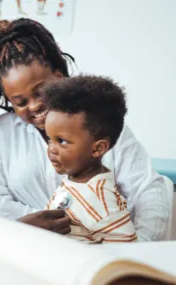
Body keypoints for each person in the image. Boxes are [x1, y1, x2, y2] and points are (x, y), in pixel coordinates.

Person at [0, 18, 169, 241]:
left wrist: (140, 250)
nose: (34, 105)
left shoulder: (97, 124)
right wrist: (46, 224)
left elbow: (148, 192)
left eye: (40, 91)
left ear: (59, 76)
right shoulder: (2, 135)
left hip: (102, 253)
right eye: (20, 102)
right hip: (31, 250)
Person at [43, 75, 137, 243]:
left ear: (98, 148)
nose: (51, 149)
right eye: (49, 139)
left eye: (62, 141)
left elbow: (128, 251)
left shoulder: (99, 201)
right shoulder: (76, 181)